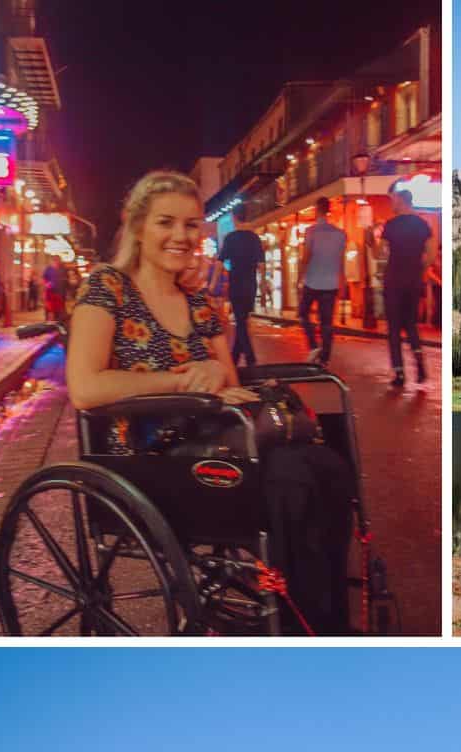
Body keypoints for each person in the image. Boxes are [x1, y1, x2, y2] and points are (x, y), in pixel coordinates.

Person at [67, 168, 353, 634]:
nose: (181, 235)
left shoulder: (199, 301)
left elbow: (230, 378)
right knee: (291, 479)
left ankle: (322, 622)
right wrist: (181, 383)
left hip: (217, 441)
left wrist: (218, 371)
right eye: (166, 222)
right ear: (137, 226)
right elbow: (85, 387)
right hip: (147, 456)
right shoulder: (108, 287)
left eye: (191, 224)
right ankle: (304, 626)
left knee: (327, 467)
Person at [378, 187, 435, 388]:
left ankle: (399, 373)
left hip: (393, 280)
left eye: (394, 200)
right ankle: (420, 367)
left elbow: (382, 253)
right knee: (411, 325)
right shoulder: (422, 224)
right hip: (413, 281)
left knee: (393, 328)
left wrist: (372, 242)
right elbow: (431, 252)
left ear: (402, 201)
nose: (392, 204)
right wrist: (420, 270)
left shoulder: (391, 225)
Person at [298, 196, 345, 368]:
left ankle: (313, 346)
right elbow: (340, 261)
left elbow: (306, 257)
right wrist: (343, 281)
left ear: (317, 210)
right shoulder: (340, 234)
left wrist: (299, 278)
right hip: (331, 283)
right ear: (329, 210)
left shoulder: (311, 232)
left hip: (312, 281)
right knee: (327, 322)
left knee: (303, 313)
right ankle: (325, 358)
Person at [220, 207, 265, 372]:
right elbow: (261, 265)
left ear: (234, 218)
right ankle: (234, 357)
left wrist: (212, 283)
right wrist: (263, 286)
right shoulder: (255, 238)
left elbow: (220, 262)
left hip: (236, 284)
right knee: (241, 320)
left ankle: (250, 358)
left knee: (240, 322)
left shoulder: (230, 238)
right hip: (250, 286)